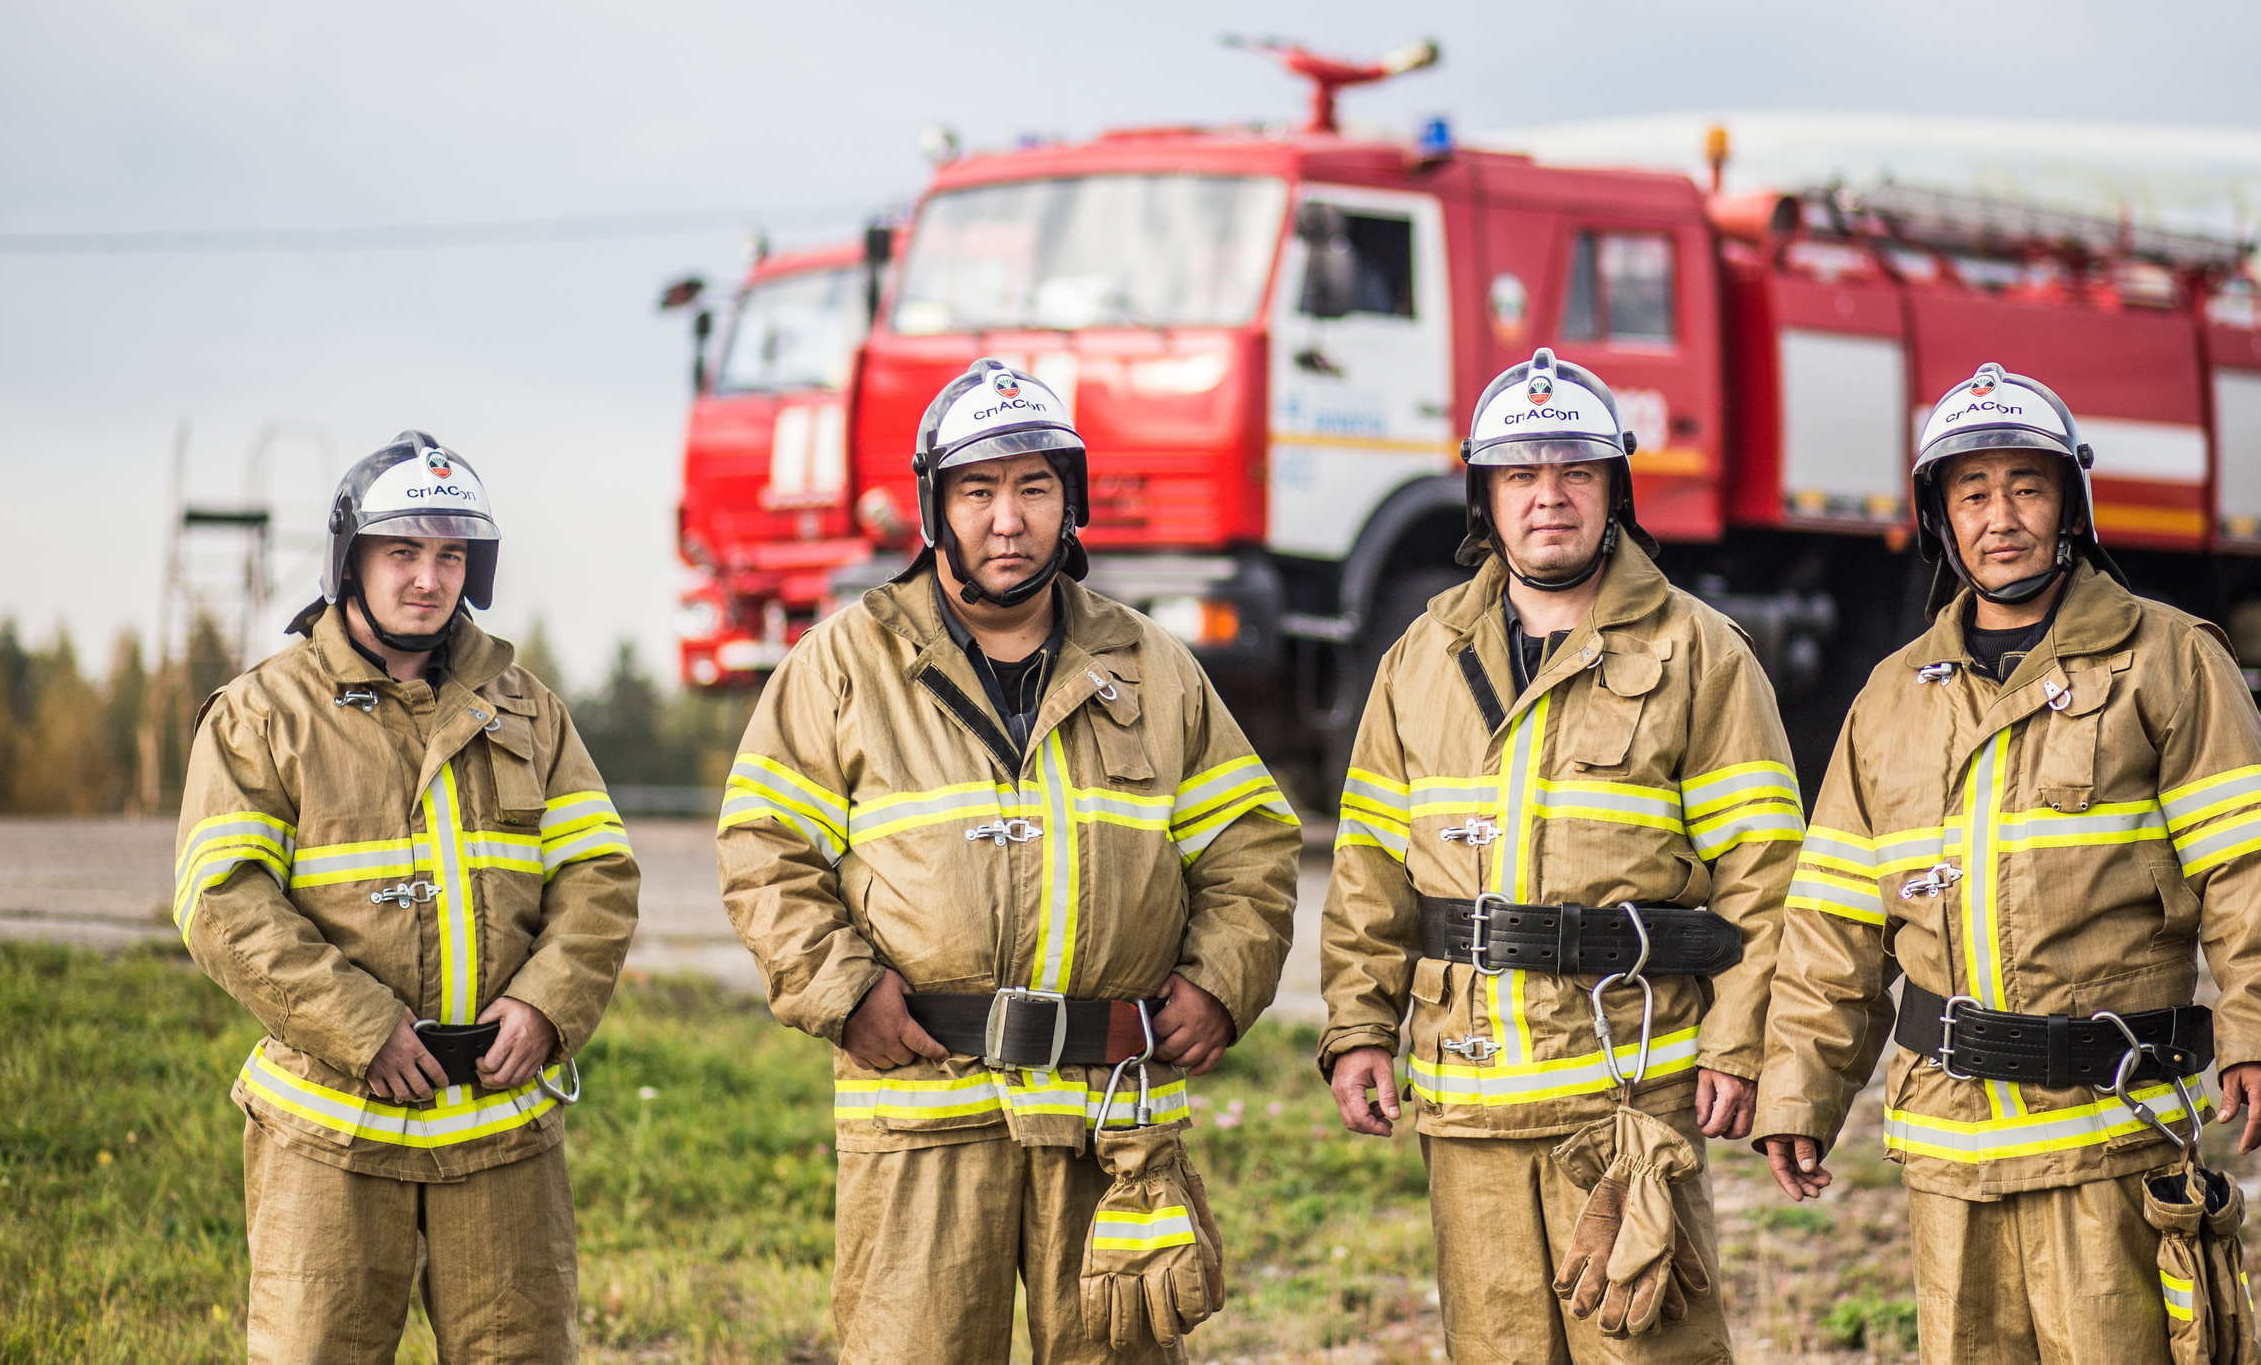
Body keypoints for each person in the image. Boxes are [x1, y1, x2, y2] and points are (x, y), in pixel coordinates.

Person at [717, 358, 1300, 1364]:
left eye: (1033, 488)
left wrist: (1221, 982)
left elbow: (1248, 846)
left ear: (1068, 505)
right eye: (977, 491)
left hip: (1110, 1114)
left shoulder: (1152, 668)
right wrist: (842, 990)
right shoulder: (845, 665)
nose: (1007, 519)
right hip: (923, 1111)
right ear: (934, 509)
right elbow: (764, 850)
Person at [1753, 362, 2261, 1365]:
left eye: (2026, 484)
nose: (2000, 514)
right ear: (1941, 517)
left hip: (2109, 1131)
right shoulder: (1889, 700)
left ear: (2069, 502)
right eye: (1971, 491)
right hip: (1947, 1151)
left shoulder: (2169, 660)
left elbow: (2247, 867)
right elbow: (1833, 925)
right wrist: (1798, 1089)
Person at [1319, 348, 1805, 1363]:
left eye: (1573, 472)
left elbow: (1766, 875)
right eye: (1520, 475)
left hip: (1627, 1096)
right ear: (1483, 498)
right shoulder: (1420, 657)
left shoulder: (1699, 653)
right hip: (1468, 1099)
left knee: (1649, 1350)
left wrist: (1738, 1043)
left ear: (1613, 491)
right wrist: (1358, 1025)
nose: (1548, 497)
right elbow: (1368, 865)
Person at [174, 430, 639, 1364]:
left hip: (502, 1130)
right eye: (403, 552)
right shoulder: (263, 712)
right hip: (332, 1132)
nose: (429, 578)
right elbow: (222, 898)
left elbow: (600, 876)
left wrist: (547, 1007)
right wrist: (361, 1025)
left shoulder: (528, 708)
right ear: (351, 559)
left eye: (450, 555)